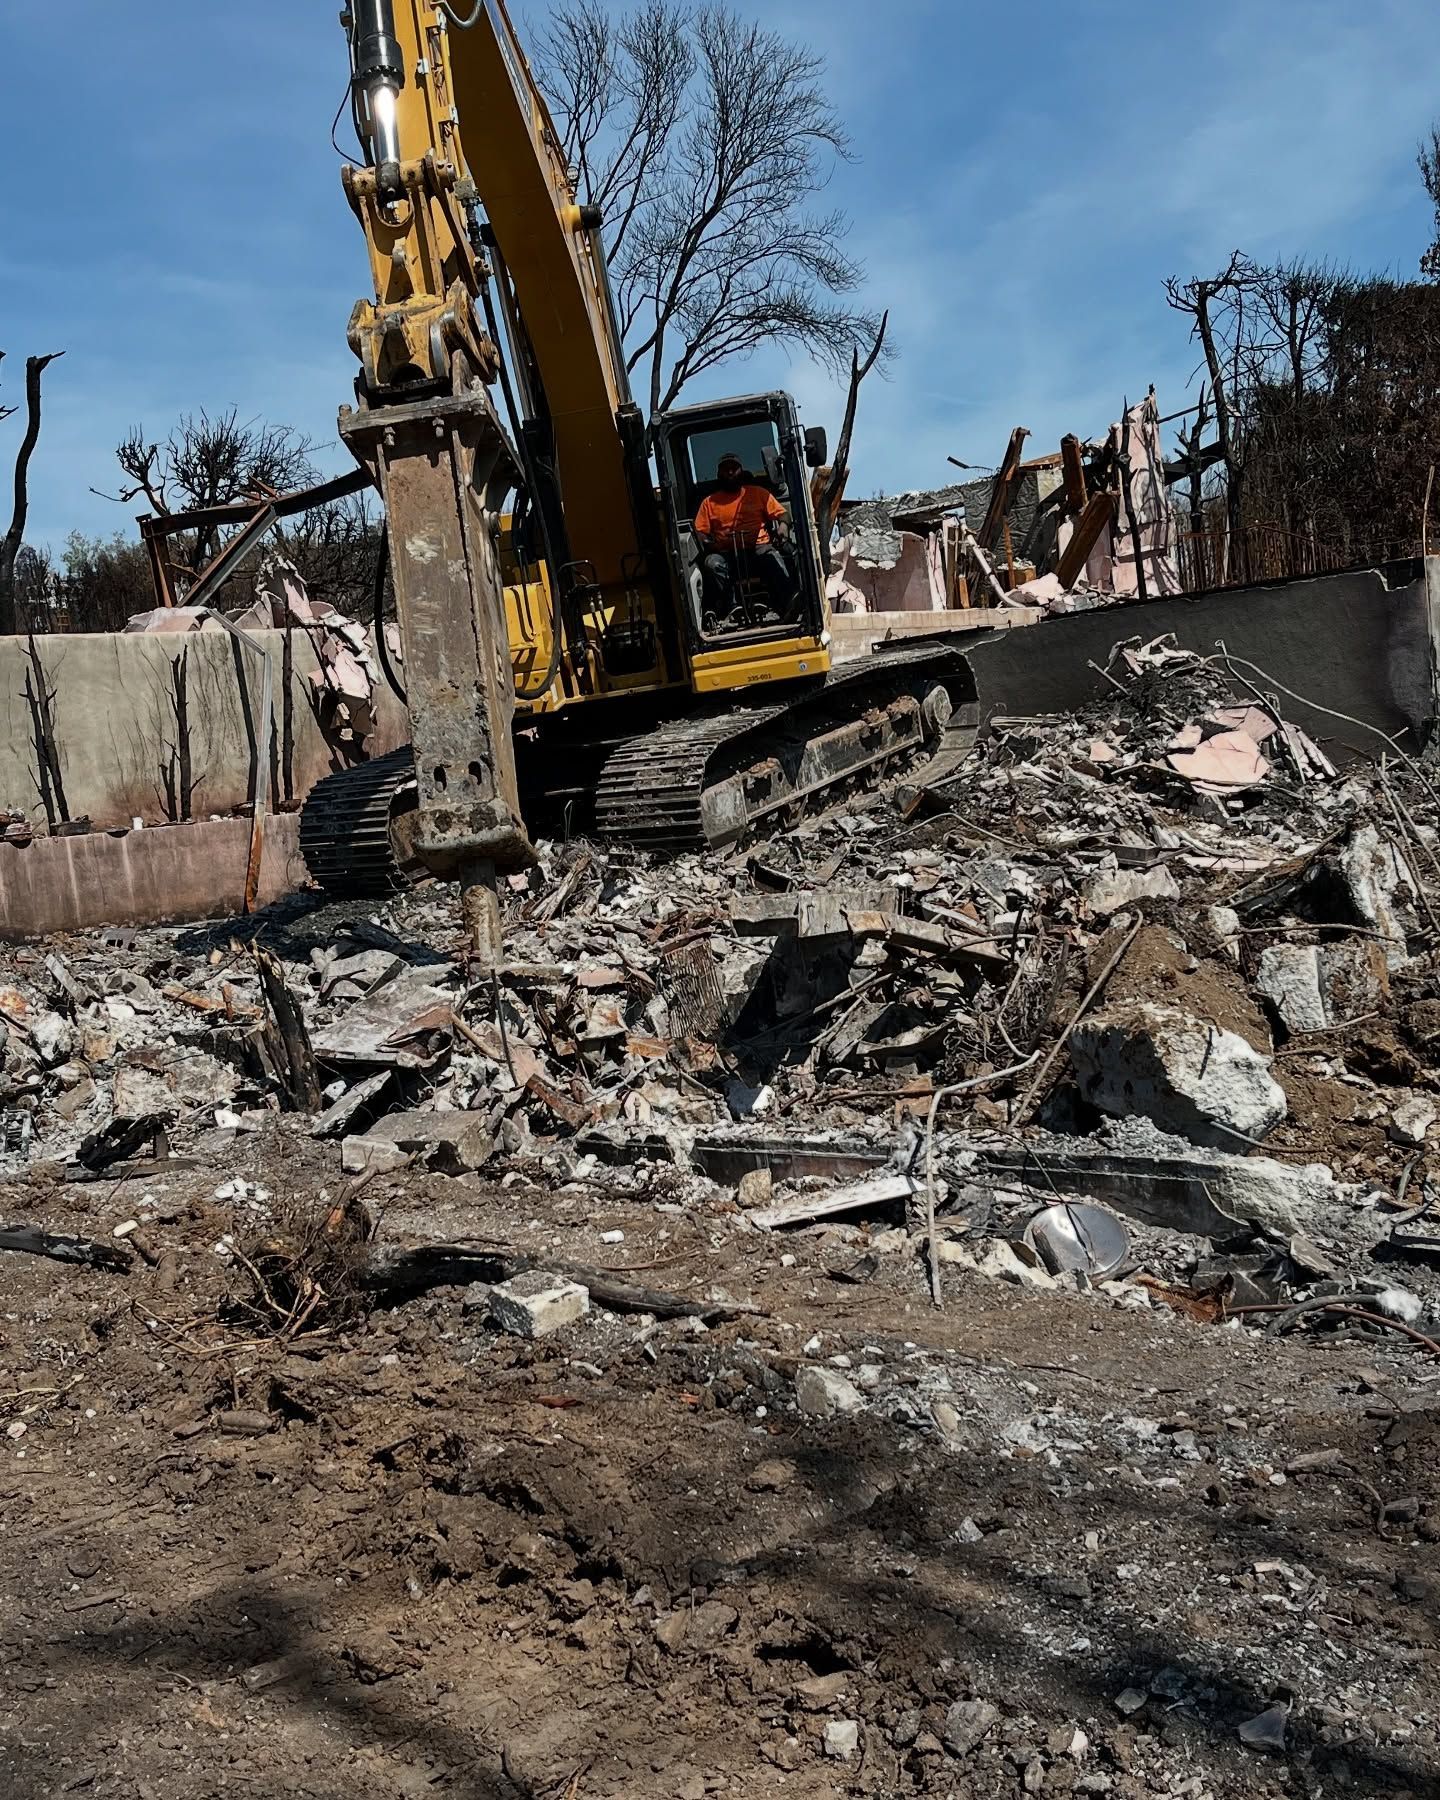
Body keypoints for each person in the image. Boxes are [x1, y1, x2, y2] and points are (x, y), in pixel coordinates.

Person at [693, 452, 795, 624]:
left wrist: (783, 527)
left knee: (773, 557)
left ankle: (788, 603)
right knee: (712, 564)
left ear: (741, 471)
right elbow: (700, 531)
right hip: (726, 553)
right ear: (719, 474)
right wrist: (708, 543)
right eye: (726, 469)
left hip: (758, 548)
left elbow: (783, 514)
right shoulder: (709, 503)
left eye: (734, 468)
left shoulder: (758, 493)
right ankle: (731, 606)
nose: (730, 472)